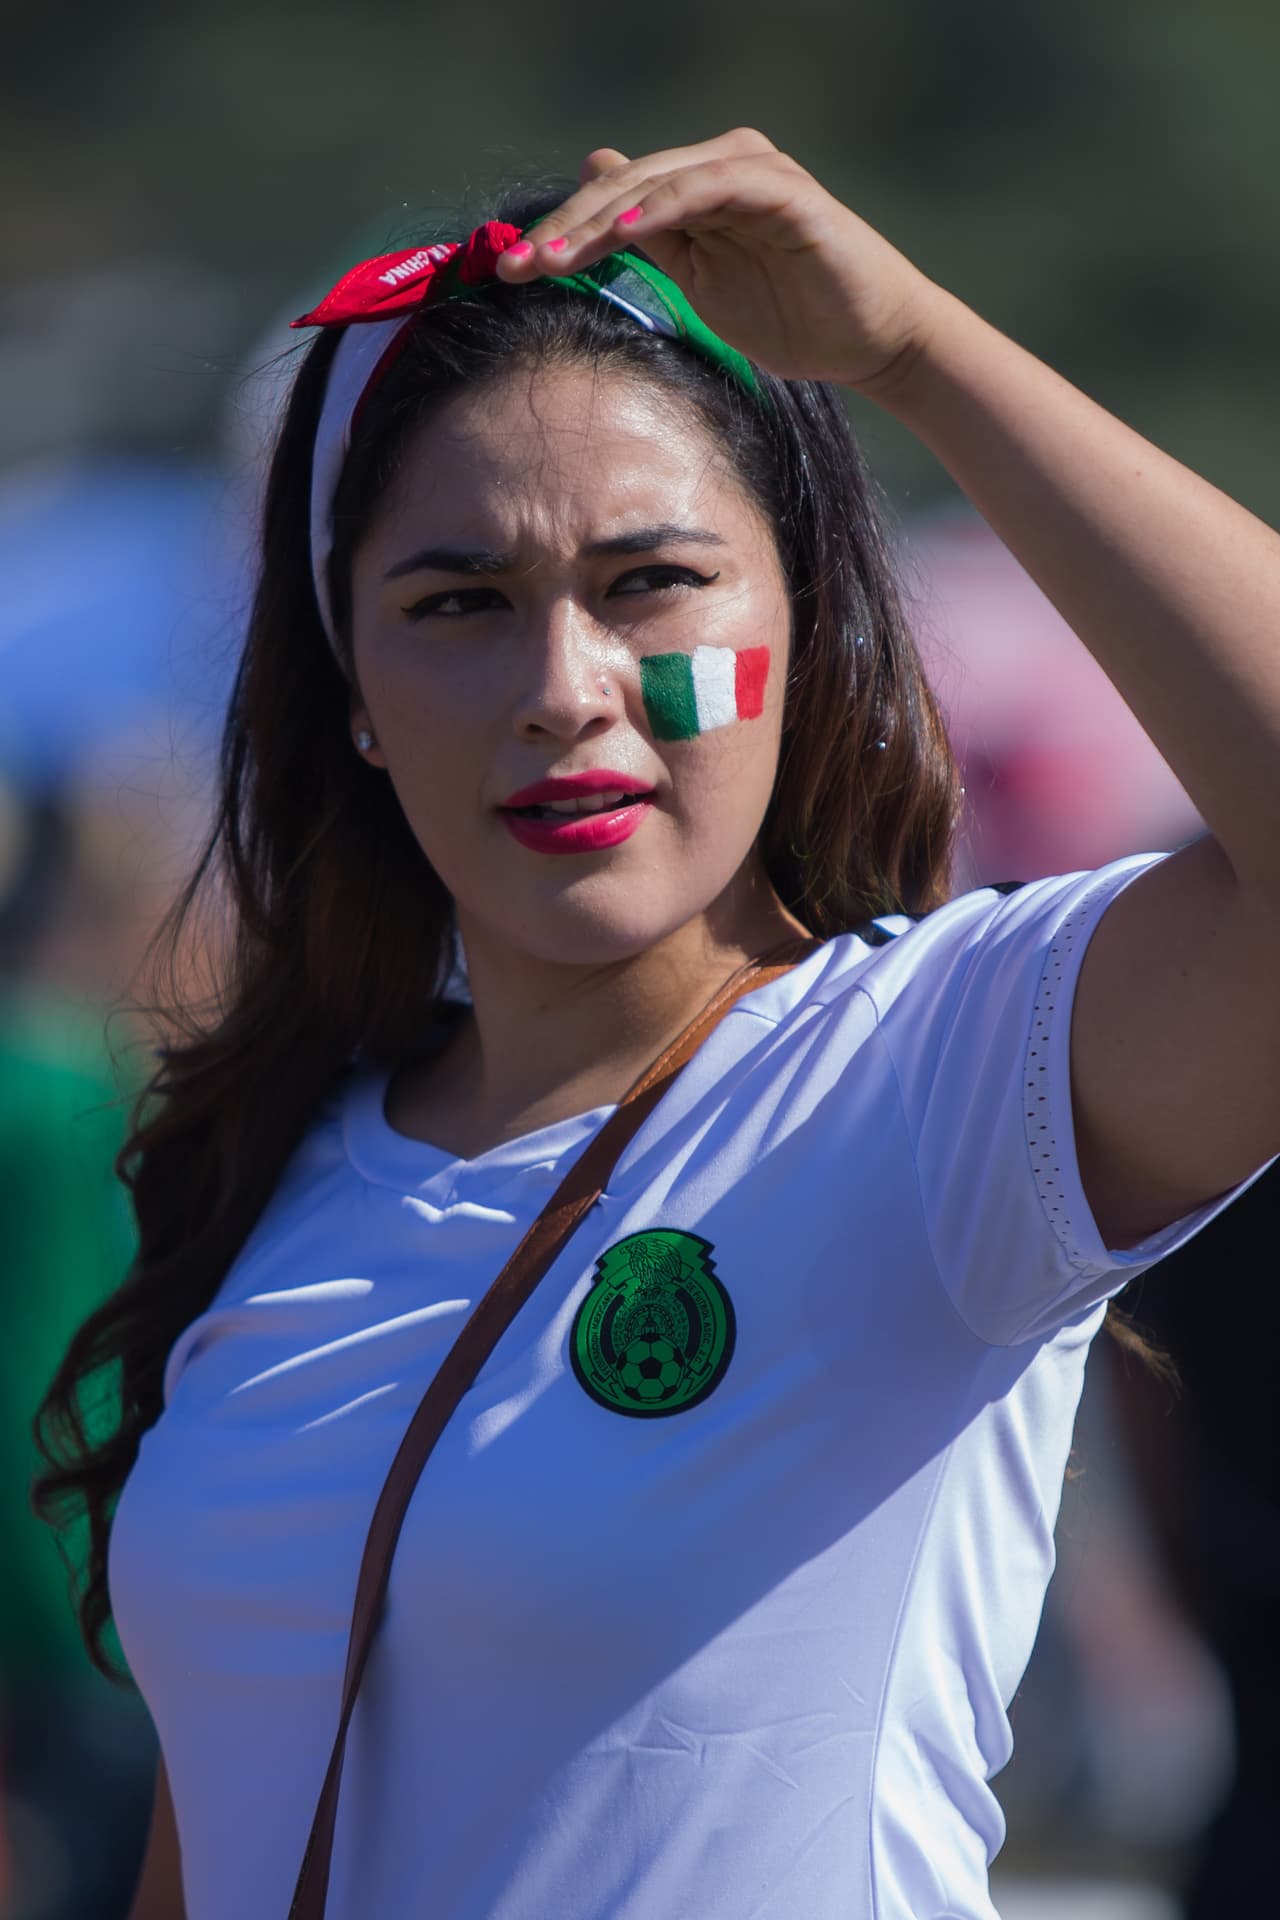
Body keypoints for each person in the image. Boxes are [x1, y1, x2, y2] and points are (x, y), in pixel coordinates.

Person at [33, 130, 1280, 1920]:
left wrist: (918, 349)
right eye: (457, 606)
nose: (562, 693)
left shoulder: (932, 1077)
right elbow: (225, 1828)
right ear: (360, 696)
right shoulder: (277, 1160)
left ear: (804, 618)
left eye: (650, 585)